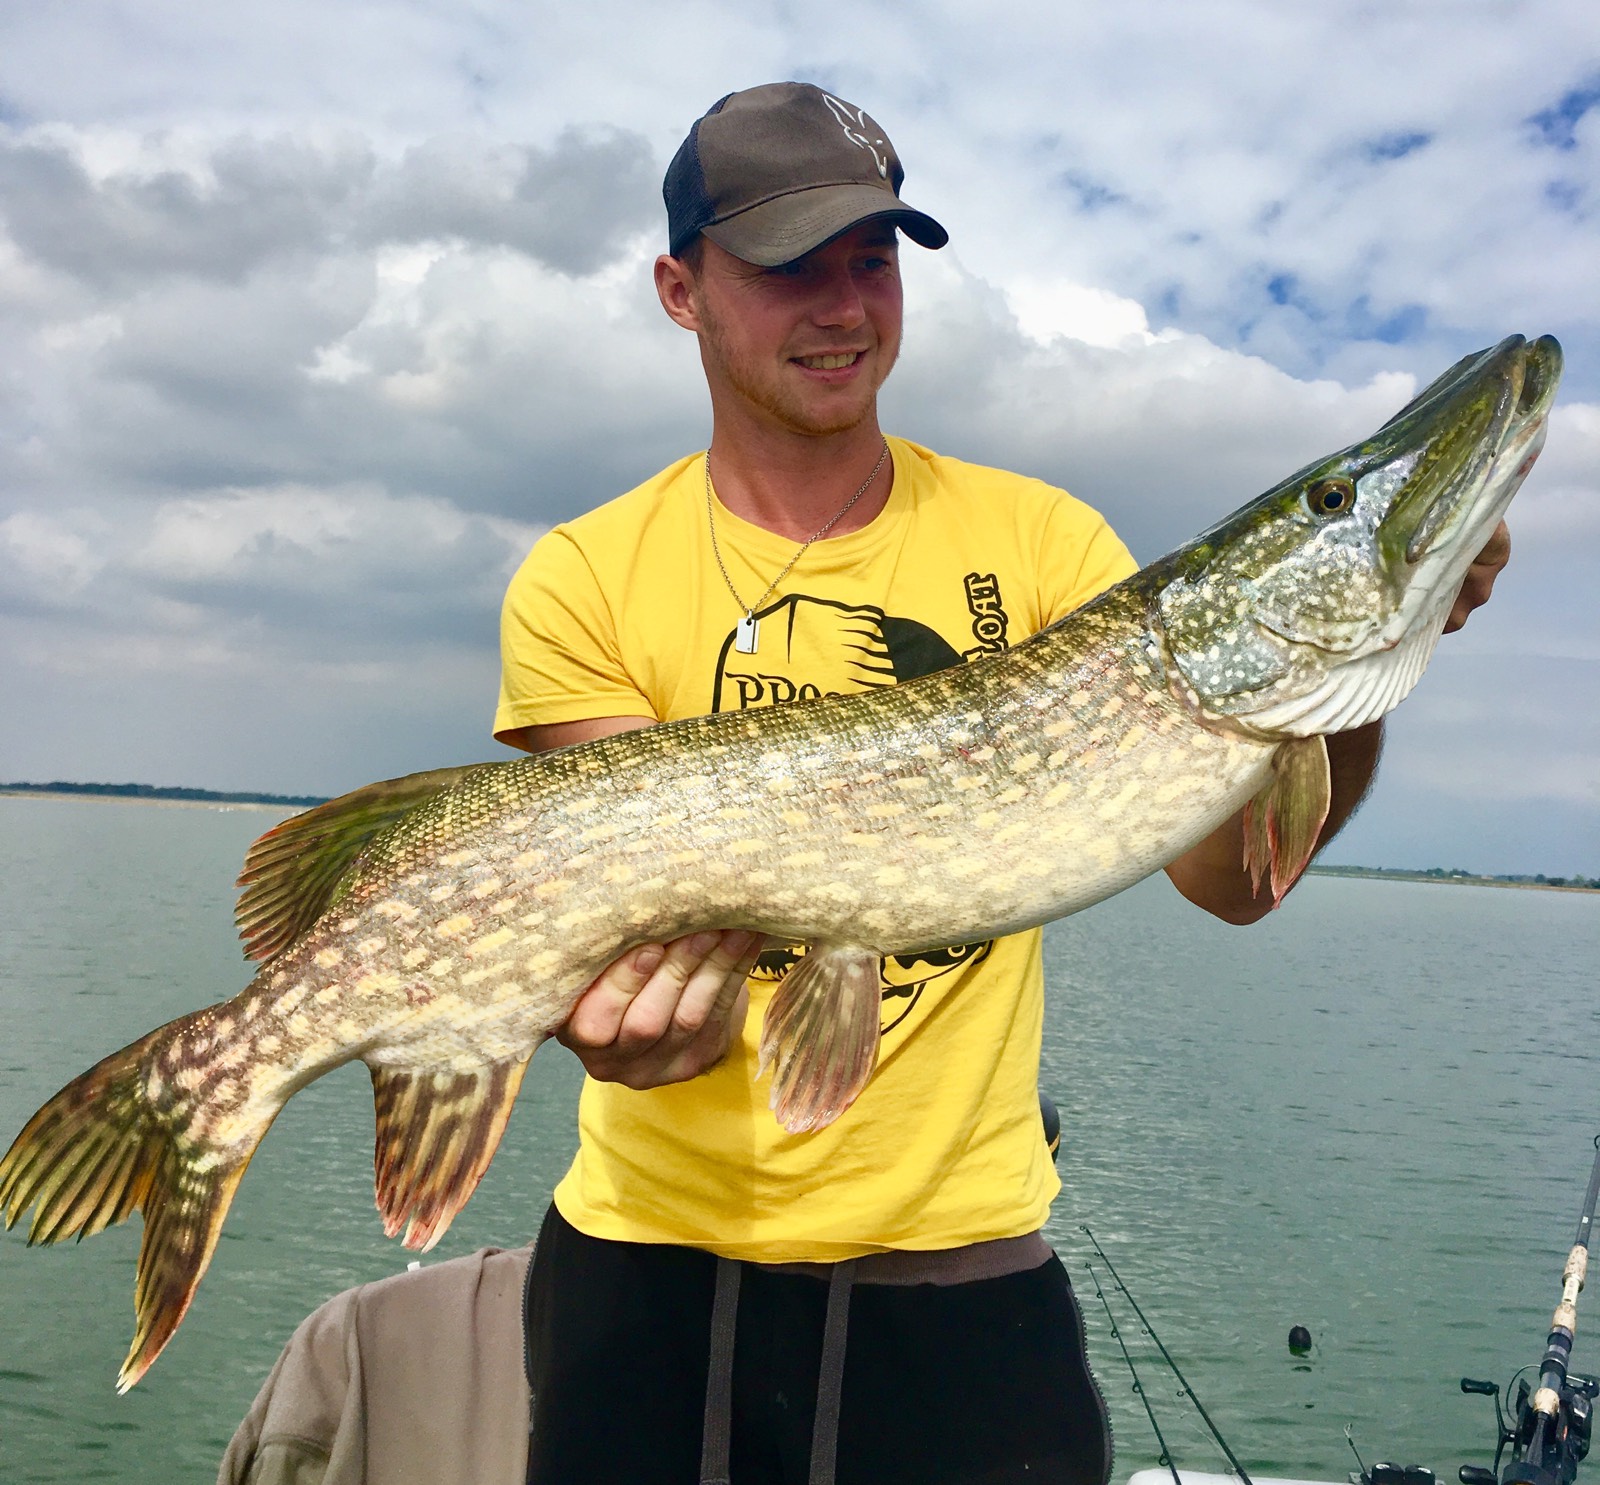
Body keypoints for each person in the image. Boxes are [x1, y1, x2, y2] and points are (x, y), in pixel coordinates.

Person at [220, 81, 1510, 1485]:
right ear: (680, 288)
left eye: (875, 258)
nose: (845, 306)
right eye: (789, 266)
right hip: (646, 1270)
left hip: (962, 1275)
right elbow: (623, 922)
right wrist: (619, 1023)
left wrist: (1382, 649)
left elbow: (1238, 883)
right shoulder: (586, 573)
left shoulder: (1048, 538)